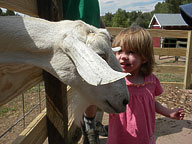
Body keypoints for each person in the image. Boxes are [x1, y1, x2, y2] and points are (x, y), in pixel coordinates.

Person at [107, 26, 185, 144]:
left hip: (143, 136)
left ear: (144, 58)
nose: (123, 56)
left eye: (131, 52)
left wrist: (168, 112)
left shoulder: (150, 81)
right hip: (120, 136)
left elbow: (150, 102)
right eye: (119, 51)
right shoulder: (113, 80)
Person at [63, 0, 107, 144]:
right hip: (71, 35)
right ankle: (89, 128)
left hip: (93, 35)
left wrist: (103, 30)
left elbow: (93, 12)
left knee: (93, 83)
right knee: (85, 84)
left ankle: (90, 127)